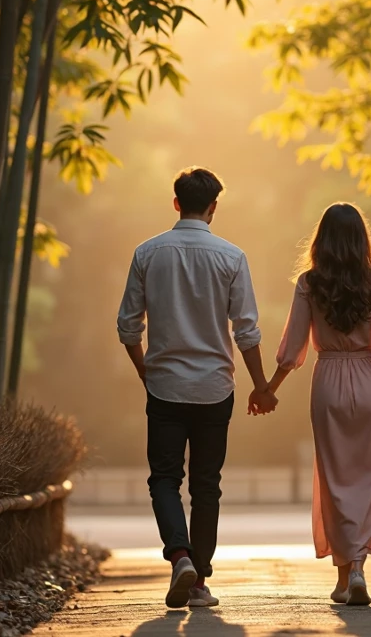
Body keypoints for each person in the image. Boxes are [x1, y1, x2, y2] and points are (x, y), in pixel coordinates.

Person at [116, 166, 279, 610]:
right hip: (214, 389)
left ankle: (180, 557)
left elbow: (128, 327)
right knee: (207, 485)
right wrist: (261, 386)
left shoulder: (147, 253)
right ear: (213, 208)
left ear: (175, 203)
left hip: (164, 386)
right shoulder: (231, 256)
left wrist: (143, 369)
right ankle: (199, 582)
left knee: (165, 479)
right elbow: (247, 331)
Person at [266, 202, 371, 606]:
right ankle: (357, 568)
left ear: (322, 241)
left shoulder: (309, 284)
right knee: (368, 477)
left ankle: (346, 575)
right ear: (361, 240)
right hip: (369, 383)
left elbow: (293, 347)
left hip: (328, 382)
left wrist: (270, 387)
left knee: (334, 480)